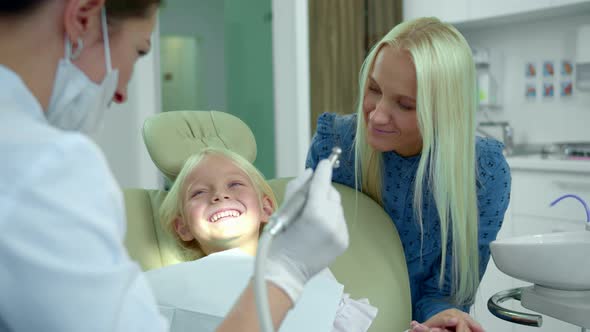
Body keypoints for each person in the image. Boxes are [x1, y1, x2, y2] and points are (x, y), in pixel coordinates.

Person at [0, 1, 349, 331]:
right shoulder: (44, 167)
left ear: (267, 206)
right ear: (83, 17)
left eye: (235, 185)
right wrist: (286, 273)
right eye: (138, 51)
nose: (120, 92)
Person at [306, 17, 511, 332]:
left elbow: (446, 292)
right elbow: (309, 260)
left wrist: (442, 320)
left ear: (444, 111)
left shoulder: (483, 172)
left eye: (405, 105)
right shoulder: (334, 145)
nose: (377, 114)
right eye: (374, 89)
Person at [157, 147, 377, 331]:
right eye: (198, 193)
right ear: (182, 227)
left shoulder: (306, 270)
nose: (219, 195)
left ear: (266, 208)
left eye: (235, 184)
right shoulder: (172, 288)